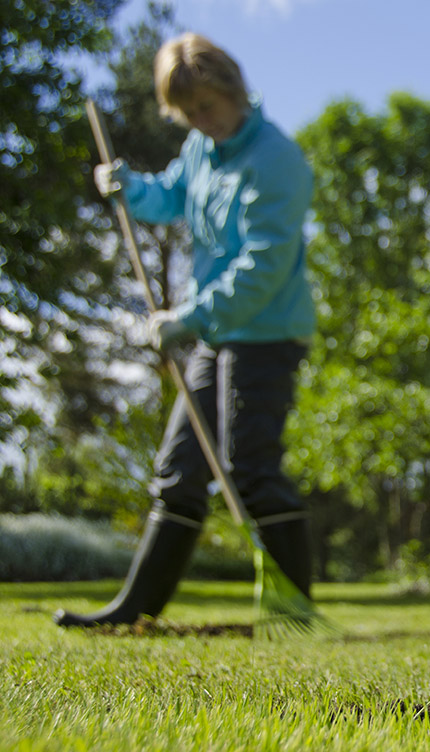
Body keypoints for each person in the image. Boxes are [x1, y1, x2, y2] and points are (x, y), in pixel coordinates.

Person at [55, 33, 317, 628]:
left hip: (266, 333)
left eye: (208, 107)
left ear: (234, 89)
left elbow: (262, 266)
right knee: (179, 468)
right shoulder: (203, 150)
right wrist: (129, 189)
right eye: (189, 113)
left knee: (249, 465)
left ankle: (292, 610)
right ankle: (134, 609)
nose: (201, 121)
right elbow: (171, 195)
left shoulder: (276, 159)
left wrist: (187, 319)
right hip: (214, 330)